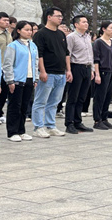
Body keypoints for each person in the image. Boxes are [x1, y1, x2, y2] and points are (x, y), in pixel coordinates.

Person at [31, 7, 71, 138]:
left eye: (61, 16)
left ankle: (51, 125)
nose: (60, 18)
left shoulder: (60, 34)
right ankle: (38, 127)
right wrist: (42, 71)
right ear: (49, 17)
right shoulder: (41, 34)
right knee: (41, 101)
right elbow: (39, 54)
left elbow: (66, 53)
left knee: (54, 102)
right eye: (58, 16)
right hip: (48, 73)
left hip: (60, 73)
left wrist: (68, 70)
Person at [3, 21, 38, 141]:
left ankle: (21, 130)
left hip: (29, 79)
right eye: (26, 30)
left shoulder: (33, 45)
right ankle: (12, 132)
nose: (29, 32)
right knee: (14, 106)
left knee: (24, 106)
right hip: (16, 80)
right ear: (18, 31)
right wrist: (10, 80)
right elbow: (8, 64)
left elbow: (36, 62)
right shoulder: (13, 46)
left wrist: (35, 78)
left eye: (31, 30)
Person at [65, 15, 94, 134]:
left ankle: (78, 121)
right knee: (73, 97)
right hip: (76, 67)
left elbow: (90, 55)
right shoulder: (71, 37)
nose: (86, 24)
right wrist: (68, 70)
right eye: (83, 22)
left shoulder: (88, 37)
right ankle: (69, 123)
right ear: (76, 24)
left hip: (87, 68)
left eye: (87, 22)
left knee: (82, 97)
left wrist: (91, 70)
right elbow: (68, 54)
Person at [92, 21, 112, 130]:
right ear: (103, 29)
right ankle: (97, 120)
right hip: (102, 71)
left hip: (111, 71)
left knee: (108, 97)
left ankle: (104, 118)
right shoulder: (98, 42)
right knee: (100, 97)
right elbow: (96, 59)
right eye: (111, 28)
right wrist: (97, 74)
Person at [0, 12, 13, 125]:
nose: (7, 22)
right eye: (4, 20)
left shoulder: (8, 34)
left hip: (7, 66)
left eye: (8, 20)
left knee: (4, 91)